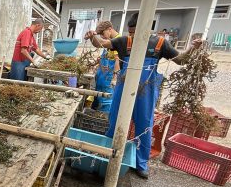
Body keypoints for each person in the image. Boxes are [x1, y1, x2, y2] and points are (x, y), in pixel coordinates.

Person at [85, 12, 202, 178]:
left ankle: (141, 164)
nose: (133, 37)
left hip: (146, 90)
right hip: (123, 87)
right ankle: (108, 155)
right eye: (131, 32)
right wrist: (92, 37)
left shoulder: (160, 44)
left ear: (147, 30)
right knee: (115, 120)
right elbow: (102, 43)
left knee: (144, 125)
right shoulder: (124, 41)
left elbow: (181, 60)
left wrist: (192, 48)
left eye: (135, 33)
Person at [89, 21, 120, 113]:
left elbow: (117, 60)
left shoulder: (118, 41)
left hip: (107, 80)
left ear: (110, 29)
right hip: (102, 78)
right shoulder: (109, 41)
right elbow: (105, 57)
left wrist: (114, 78)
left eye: (103, 34)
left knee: (106, 101)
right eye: (100, 35)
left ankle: (103, 118)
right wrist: (95, 63)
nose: (102, 37)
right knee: (98, 99)